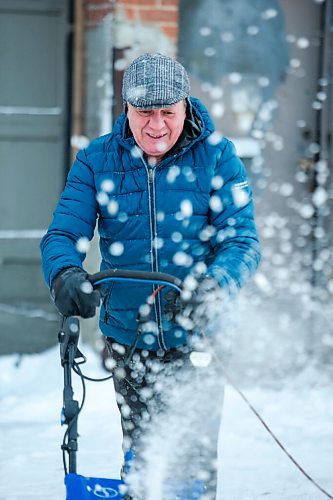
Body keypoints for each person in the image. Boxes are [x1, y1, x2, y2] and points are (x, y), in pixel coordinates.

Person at [40, 53, 261, 499]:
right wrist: (64, 273)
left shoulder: (218, 157)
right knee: (142, 453)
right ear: (126, 109)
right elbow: (63, 232)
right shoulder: (97, 160)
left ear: (185, 107)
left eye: (168, 113)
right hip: (128, 335)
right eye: (145, 112)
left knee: (192, 463)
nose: (156, 126)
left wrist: (216, 284)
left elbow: (242, 242)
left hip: (197, 336)